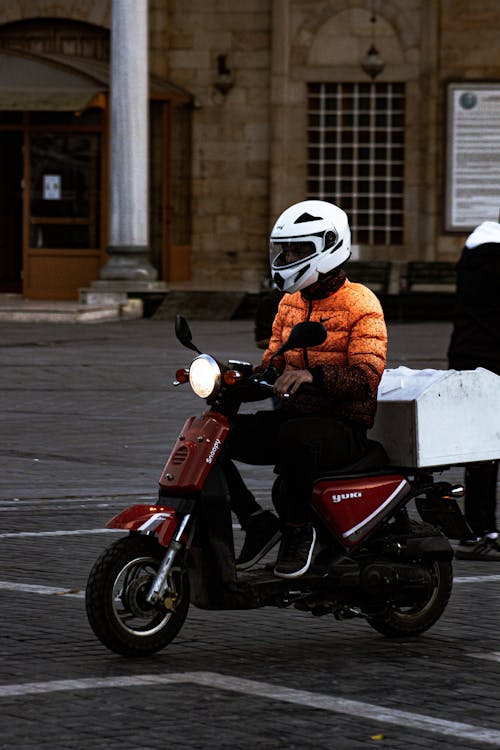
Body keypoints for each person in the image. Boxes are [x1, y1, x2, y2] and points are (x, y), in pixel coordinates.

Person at [221, 199, 387, 578]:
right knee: (212, 437)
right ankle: (256, 522)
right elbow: (273, 365)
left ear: (330, 245)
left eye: (300, 249)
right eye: (286, 249)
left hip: (344, 427)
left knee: (297, 435)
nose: (290, 256)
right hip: (297, 417)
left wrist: (315, 376)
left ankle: (299, 533)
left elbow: (367, 378)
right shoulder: (289, 303)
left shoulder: (361, 303)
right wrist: (231, 379)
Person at [448, 219, 500, 561]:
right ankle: (480, 530)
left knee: (483, 448)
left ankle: (477, 528)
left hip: (467, 354)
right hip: (494, 357)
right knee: (487, 448)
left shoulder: (470, 261)